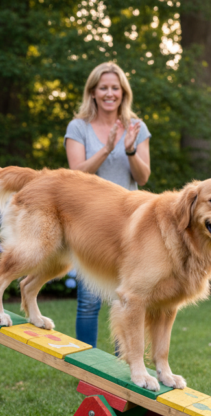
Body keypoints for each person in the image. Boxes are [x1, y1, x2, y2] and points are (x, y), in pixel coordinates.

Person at [64, 62, 151, 348]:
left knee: (126, 297)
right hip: (90, 221)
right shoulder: (78, 127)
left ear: (123, 93)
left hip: (129, 223)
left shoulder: (137, 128)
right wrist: (106, 148)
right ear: (93, 92)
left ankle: (119, 368)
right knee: (88, 301)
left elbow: (143, 176)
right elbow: (76, 174)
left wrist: (128, 149)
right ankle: (86, 367)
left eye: (115, 88)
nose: (109, 93)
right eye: (104, 87)